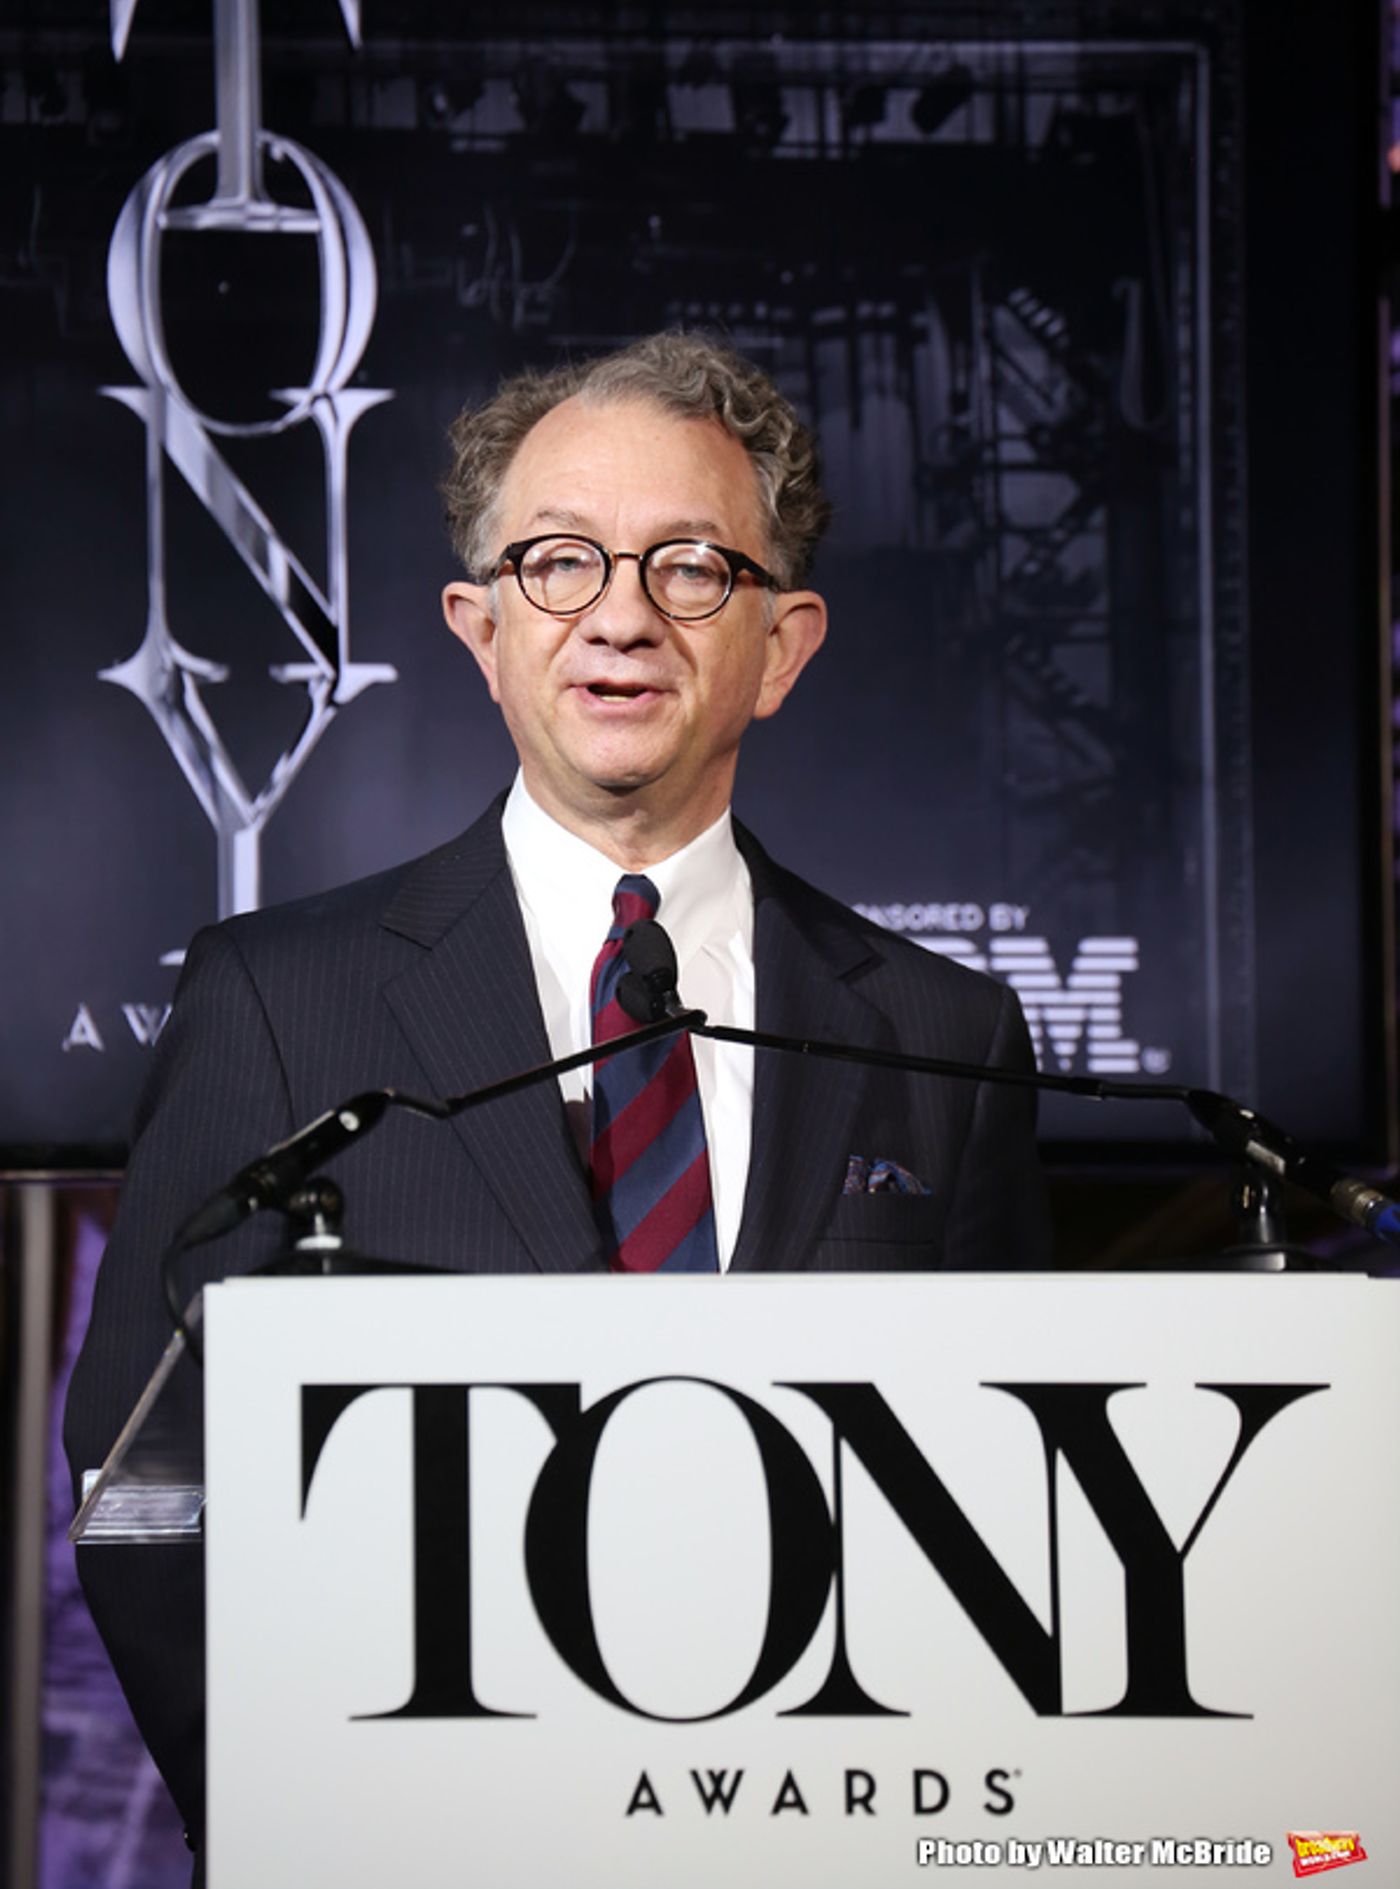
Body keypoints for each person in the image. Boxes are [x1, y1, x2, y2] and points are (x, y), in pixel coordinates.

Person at [64, 331, 1048, 1858]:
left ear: (783, 644)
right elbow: (145, 1490)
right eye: (561, 561)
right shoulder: (276, 1001)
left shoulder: (944, 1038)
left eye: (691, 567)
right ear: (481, 626)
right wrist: (307, 1828)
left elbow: (1009, 1504)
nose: (622, 616)